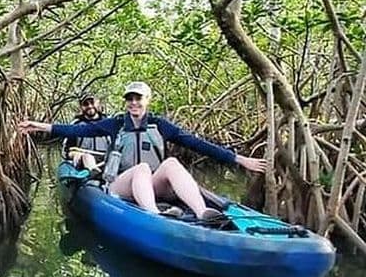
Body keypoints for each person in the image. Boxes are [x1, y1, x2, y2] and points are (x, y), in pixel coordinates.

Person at [19, 81, 267, 220]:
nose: (134, 103)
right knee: (142, 168)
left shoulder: (159, 125)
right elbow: (75, 132)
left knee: (170, 164)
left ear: (147, 100)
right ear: (126, 102)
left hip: (152, 185)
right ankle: (154, 216)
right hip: (121, 186)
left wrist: (238, 159)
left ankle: (203, 211)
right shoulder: (115, 123)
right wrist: (39, 125)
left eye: (139, 99)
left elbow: (197, 144)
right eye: (130, 99)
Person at [61, 93, 110, 176]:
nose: (90, 106)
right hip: (83, 163)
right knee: (87, 157)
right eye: (86, 104)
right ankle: (92, 173)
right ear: (81, 107)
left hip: (106, 162)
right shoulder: (76, 125)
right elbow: (66, 151)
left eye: (92, 102)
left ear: (97, 103)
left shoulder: (109, 123)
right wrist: (74, 154)